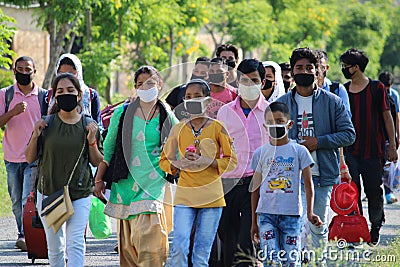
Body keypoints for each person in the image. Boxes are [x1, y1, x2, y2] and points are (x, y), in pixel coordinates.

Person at [94, 65, 178, 267]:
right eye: (140, 84)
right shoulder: (122, 113)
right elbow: (109, 149)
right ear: (134, 87)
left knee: (152, 245)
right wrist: (98, 180)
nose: (145, 87)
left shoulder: (168, 115)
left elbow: (179, 146)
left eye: (150, 83)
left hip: (154, 186)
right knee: (129, 249)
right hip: (125, 188)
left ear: (159, 85)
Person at [277, 47, 355, 260]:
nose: (304, 71)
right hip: (290, 176)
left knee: (317, 226)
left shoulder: (332, 101)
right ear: (292, 72)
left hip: (322, 176)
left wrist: (318, 142)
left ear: (317, 71)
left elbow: (349, 135)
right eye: (299, 67)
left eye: (309, 67)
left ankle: (316, 261)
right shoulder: (282, 104)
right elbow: (272, 138)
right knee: (296, 223)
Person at [25, 73, 103, 266]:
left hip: (80, 193)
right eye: (60, 91)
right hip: (50, 193)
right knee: (55, 247)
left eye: (70, 90)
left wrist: (92, 141)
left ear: (79, 95)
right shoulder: (46, 123)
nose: (65, 94)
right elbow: (29, 158)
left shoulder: (88, 124)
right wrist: (35, 135)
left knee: (75, 243)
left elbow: (97, 161)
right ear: (54, 96)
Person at [160, 79, 237, 267]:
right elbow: (164, 161)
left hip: (212, 198)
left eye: (197, 96)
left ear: (208, 101)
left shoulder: (218, 127)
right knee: (179, 246)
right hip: (185, 196)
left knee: (202, 253)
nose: (192, 100)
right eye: (188, 97)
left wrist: (209, 162)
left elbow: (232, 161)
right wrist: (179, 164)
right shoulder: (178, 128)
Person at [250, 101, 322, 267]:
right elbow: (255, 189)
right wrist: (254, 222)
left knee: (291, 260)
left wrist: (310, 214)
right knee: (270, 259)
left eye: (279, 121)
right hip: (265, 215)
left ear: (289, 124)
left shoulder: (299, 151)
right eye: (270, 122)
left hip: (291, 215)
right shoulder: (260, 153)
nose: (275, 125)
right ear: (264, 125)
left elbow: (308, 184)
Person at [340, 48, 398, 247]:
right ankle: (358, 228)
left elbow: (387, 117)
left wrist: (393, 145)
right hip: (350, 151)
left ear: (356, 67)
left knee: (374, 191)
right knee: (352, 191)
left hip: (373, 151)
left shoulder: (377, 88)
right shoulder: (344, 90)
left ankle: (375, 225)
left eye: (346, 66)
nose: (344, 69)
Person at [216, 58, 269, 267]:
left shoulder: (271, 112)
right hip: (228, 182)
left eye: (254, 80)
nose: (248, 85)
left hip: (256, 183)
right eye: (244, 80)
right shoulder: (225, 111)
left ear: (263, 82)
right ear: (237, 82)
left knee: (247, 240)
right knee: (226, 234)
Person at [0, 56, 45, 251]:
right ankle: (21, 231)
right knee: (17, 200)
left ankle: (27, 236)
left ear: (34, 72)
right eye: (20, 69)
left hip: (33, 158)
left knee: (28, 197)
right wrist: (13, 112)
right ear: (14, 70)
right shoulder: (5, 94)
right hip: (11, 157)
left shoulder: (43, 96)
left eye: (28, 69)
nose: (24, 72)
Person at [42, 53, 102, 127]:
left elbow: (98, 125)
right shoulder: (48, 96)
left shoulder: (91, 95)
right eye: (61, 74)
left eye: (71, 74)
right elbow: (43, 124)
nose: (66, 78)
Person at [378, 71, 399, 204]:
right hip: (376, 136)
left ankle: (388, 192)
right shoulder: (376, 94)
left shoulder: (393, 96)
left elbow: (396, 117)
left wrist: (397, 137)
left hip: (387, 137)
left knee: (387, 166)